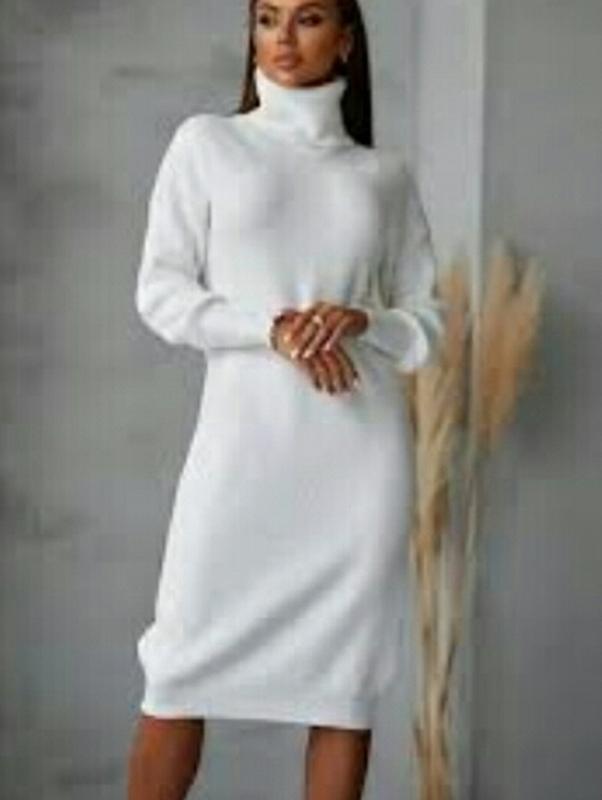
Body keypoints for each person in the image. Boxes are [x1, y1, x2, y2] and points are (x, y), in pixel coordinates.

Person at [126, 1, 446, 798]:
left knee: (343, 689)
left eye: (307, 20)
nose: (282, 39)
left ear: (346, 39)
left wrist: (364, 319)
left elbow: (429, 325)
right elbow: (160, 292)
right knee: (178, 673)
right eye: (267, 19)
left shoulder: (383, 176)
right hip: (243, 451)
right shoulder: (208, 144)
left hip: (357, 462)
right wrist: (268, 329)